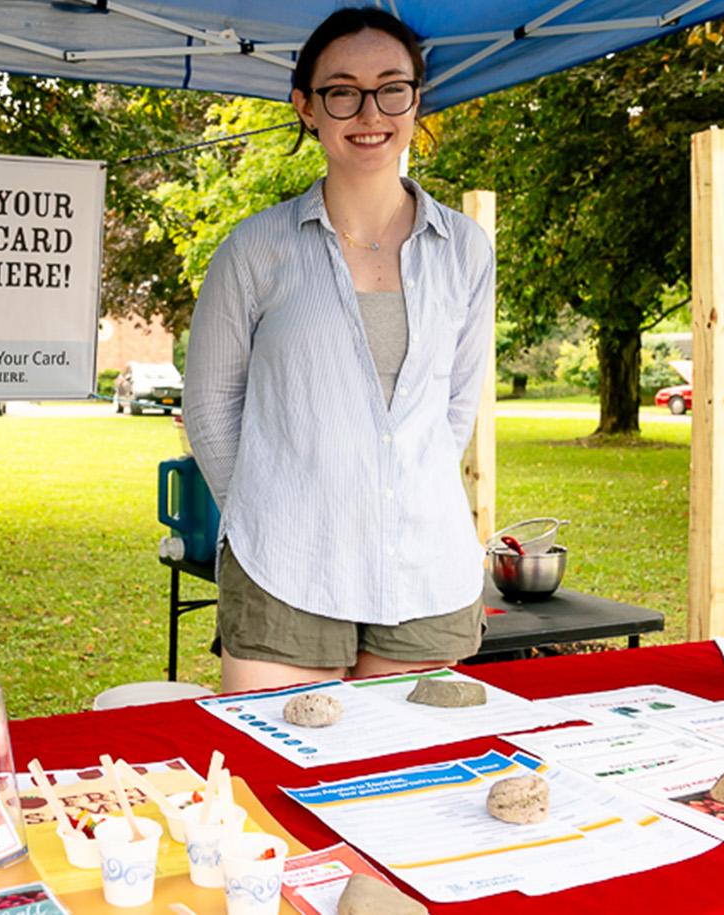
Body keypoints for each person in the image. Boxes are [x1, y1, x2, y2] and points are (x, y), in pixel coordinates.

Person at [183, 7, 495, 693]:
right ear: (305, 106)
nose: (368, 111)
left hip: (425, 566)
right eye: (341, 90)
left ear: (416, 98)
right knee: (276, 776)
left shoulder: (466, 249)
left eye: (391, 87)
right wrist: (265, 508)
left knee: (407, 782)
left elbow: (454, 405)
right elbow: (208, 403)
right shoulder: (254, 248)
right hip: (284, 565)